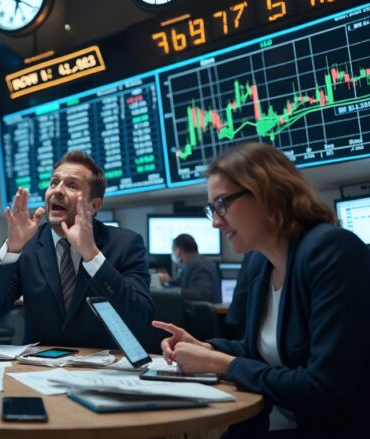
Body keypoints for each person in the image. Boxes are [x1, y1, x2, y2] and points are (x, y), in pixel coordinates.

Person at [152, 142, 370, 436]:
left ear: (267, 191)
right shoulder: (258, 261)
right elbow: (256, 350)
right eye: (212, 209)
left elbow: (324, 388)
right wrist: (207, 347)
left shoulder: (332, 251)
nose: (216, 221)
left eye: (222, 204)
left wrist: (224, 364)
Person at [0, 151, 152, 347]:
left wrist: (92, 255)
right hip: (36, 371)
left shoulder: (125, 244)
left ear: (94, 204)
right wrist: (12, 248)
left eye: (72, 186)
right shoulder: (27, 247)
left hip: (101, 372)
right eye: (54, 183)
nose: (57, 190)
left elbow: (139, 320)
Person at [157, 233, 221, 302]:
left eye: (172, 250)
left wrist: (172, 293)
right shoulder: (195, 263)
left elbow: (203, 294)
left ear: (178, 251)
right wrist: (169, 281)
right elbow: (183, 283)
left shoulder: (197, 265)